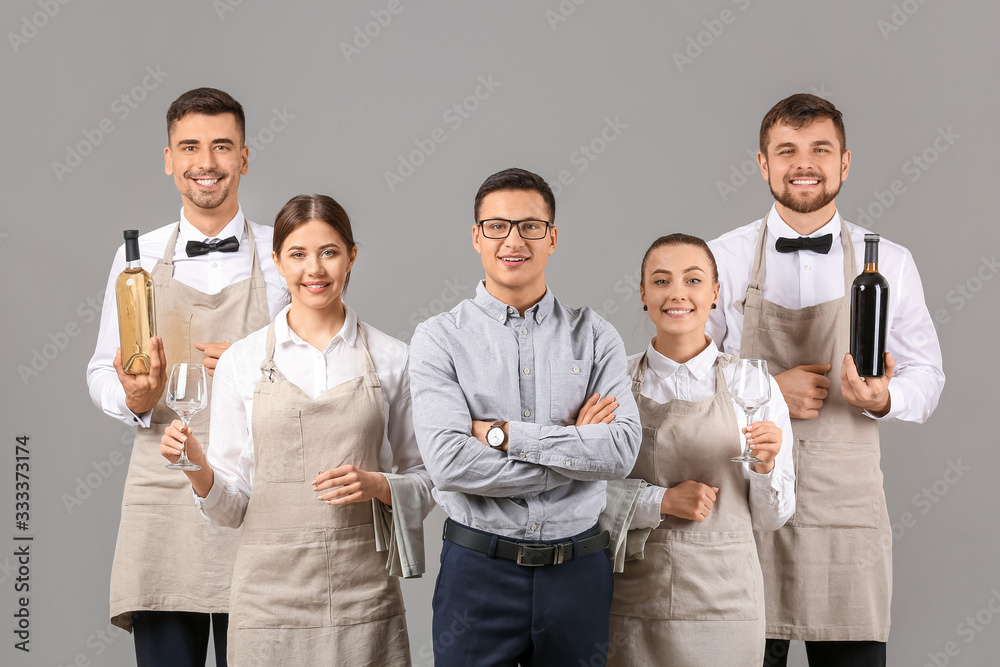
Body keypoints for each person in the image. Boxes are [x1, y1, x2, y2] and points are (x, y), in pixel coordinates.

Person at [708, 93, 945, 667]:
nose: (804, 162)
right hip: (745, 502)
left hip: (846, 510)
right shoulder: (720, 257)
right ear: (763, 164)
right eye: (786, 150)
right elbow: (685, 379)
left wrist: (885, 397)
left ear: (845, 162)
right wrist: (765, 391)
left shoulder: (890, 262)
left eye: (820, 148)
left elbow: (928, 376)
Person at [160, 194, 433, 665]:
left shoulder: (394, 359)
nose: (315, 269)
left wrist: (378, 484)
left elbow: (429, 481)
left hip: (361, 595)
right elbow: (231, 508)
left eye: (329, 252)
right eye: (298, 255)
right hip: (267, 600)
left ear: (351, 257)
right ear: (277, 262)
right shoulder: (241, 363)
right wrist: (197, 467)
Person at [86, 87, 289, 665]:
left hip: (256, 492)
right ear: (169, 159)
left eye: (222, 146)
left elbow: (321, 374)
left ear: (244, 159)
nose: (207, 163)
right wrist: (136, 400)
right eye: (190, 147)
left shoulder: (283, 256)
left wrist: (257, 370)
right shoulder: (138, 259)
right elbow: (102, 370)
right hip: (163, 491)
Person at [408, 167, 642, 667]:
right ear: (477, 236)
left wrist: (501, 434)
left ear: (552, 237)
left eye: (530, 226)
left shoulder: (596, 335)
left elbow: (620, 453)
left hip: (579, 572)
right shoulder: (438, 338)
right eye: (497, 226)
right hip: (477, 573)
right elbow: (450, 464)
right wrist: (577, 448)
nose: (513, 240)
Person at [608, 233, 795, 666]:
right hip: (636, 600)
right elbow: (579, 497)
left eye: (693, 281)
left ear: (714, 293)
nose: (677, 293)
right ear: (642, 294)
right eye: (661, 281)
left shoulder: (754, 385)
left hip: (728, 602)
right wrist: (660, 501)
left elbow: (772, 518)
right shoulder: (612, 382)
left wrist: (765, 468)